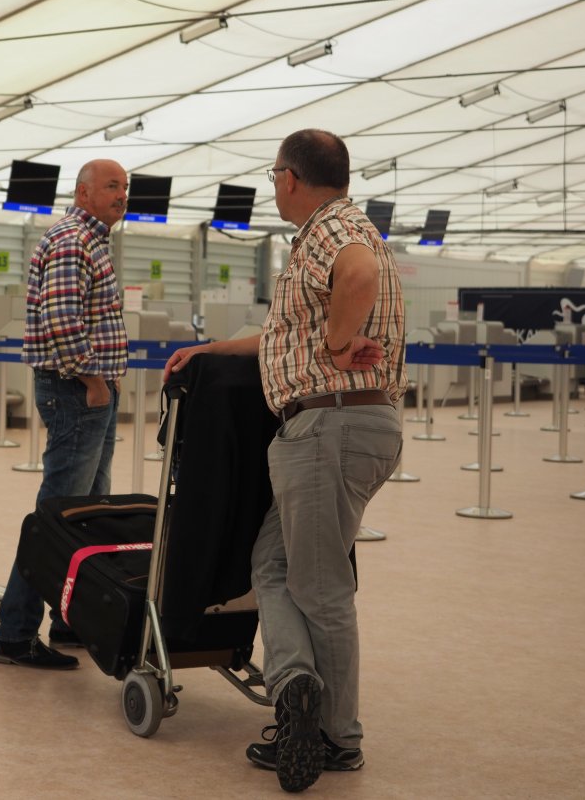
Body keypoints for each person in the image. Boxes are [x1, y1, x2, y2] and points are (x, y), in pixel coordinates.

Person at [164, 129, 406, 792]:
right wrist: (211, 349)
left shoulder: (332, 229)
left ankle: (337, 738)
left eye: (274, 176)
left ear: (291, 178)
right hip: (336, 426)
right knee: (271, 566)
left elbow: (357, 277)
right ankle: (296, 682)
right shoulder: (335, 230)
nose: (274, 186)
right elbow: (282, 336)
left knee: (321, 588)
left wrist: (338, 342)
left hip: (330, 425)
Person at [0, 158, 129, 669]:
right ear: (83, 193)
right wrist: (93, 380)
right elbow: (62, 322)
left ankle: (68, 618)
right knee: (56, 518)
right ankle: (14, 633)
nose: (121, 195)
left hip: (92, 390)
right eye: (111, 186)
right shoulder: (73, 240)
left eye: (125, 187)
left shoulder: (92, 240)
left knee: (87, 513)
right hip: (77, 391)